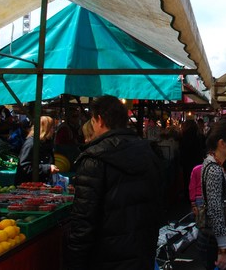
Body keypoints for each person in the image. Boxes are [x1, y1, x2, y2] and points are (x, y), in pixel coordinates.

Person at [65, 95, 165, 270]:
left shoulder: (94, 159)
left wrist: (74, 264)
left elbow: (83, 223)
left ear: (100, 120)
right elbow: (158, 206)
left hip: (105, 259)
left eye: (92, 121)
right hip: (142, 254)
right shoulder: (149, 153)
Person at [197, 120, 226, 270]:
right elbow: (215, 209)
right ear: (222, 143)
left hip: (214, 240)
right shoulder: (214, 169)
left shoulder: (212, 165)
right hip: (215, 243)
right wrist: (223, 248)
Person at [14, 115, 60, 185]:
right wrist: (47, 168)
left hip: (41, 185)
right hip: (28, 186)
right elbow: (24, 167)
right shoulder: (31, 144)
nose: (53, 131)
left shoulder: (45, 143)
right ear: (45, 129)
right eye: (52, 128)